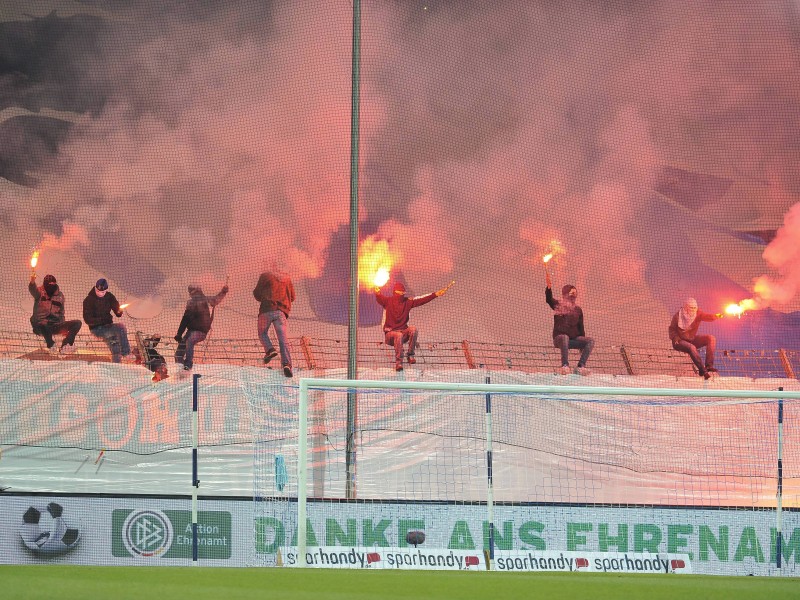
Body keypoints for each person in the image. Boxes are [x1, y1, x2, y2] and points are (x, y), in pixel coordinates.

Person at [374, 280, 454, 371]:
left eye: (403, 292)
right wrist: (377, 292)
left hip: (403, 333)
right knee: (398, 335)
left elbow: (421, 299)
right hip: (390, 335)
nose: (402, 293)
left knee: (413, 329)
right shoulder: (387, 301)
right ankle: (399, 362)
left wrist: (435, 294)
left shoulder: (407, 302)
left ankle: (410, 355)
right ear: (395, 291)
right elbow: (379, 297)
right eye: (400, 291)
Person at [545, 270, 594, 375]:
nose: (573, 295)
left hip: (573, 339)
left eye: (575, 293)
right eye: (571, 293)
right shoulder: (558, 304)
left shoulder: (578, 310)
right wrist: (548, 288)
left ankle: (580, 367)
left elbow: (581, 328)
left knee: (590, 341)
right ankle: (565, 366)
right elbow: (549, 299)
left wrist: (582, 345)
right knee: (564, 337)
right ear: (565, 294)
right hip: (560, 339)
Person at [174, 282, 228, 371]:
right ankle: (180, 366)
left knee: (189, 341)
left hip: (199, 332)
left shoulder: (198, 301)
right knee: (180, 350)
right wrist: (179, 334)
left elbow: (185, 318)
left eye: (190, 291)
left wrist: (223, 291)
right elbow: (216, 299)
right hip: (193, 331)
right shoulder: (198, 301)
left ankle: (187, 365)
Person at [253, 269, 296, 377]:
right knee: (283, 339)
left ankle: (270, 350)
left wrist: (266, 295)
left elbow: (257, 294)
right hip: (281, 312)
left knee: (262, 333)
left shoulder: (265, 274)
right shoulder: (287, 277)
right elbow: (293, 297)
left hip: (266, 309)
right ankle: (287, 365)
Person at [82, 278, 135, 363]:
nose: (100, 293)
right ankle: (126, 352)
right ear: (95, 288)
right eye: (98, 291)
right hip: (97, 329)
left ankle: (116, 368)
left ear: (106, 290)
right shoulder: (89, 300)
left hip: (108, 327)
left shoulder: (109, 297)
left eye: (103, 292)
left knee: (116, 348)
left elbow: (118, 313)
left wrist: (118, 310)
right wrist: (102, 320)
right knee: (121, 327)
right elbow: (87, 319)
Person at [29, 273, 82, 356]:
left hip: (55, 325)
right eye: (49, 284)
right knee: (43, 324)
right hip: (40, 326)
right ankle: (51, 345)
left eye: (53, 284)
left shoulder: (60, 296)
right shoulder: (40, 292)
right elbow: (33, 290)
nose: (51, 286)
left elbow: (61, 313)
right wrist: (32, 282)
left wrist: (63, 327)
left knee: (77, 323)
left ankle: (66, 345)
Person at [669, 298, 722, 379]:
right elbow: (672, 329)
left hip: (691, 339)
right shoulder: (677, 316)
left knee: (711, 338)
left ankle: (709, 366)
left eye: (695, 307)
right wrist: (675, 337)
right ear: (686, 307)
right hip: (679, 341)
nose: (693, 310)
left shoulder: (698, 313)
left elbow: (707, 316)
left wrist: (716, 316)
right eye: (691, 308)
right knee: (691, 347)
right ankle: (703, 371)